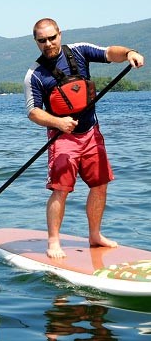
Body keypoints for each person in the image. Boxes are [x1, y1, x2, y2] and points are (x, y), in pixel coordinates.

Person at [24, 18, 144, 259]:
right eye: (42, 40)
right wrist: (58, 122)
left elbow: (110, 53)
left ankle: (95, 235)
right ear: (36, 42)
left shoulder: (79, 51)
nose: (48, 44)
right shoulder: (34, 76)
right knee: (60, 190)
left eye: (52, 38)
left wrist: (130, 52)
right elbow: (33, 112)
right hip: (62, 138)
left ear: (60, 34)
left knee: (100, 185)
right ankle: (54, 241)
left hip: (91, 133)